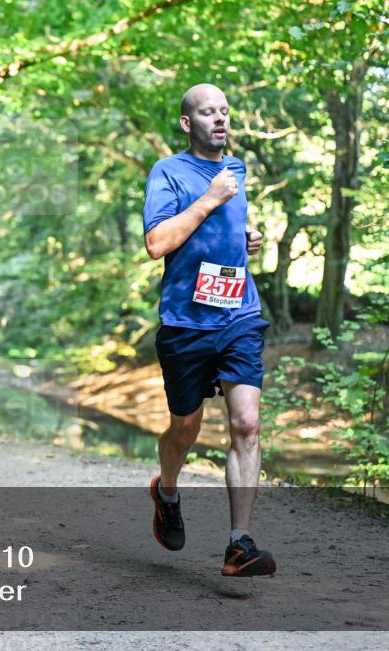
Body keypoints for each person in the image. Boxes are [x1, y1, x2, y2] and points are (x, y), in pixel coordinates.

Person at [142, 83, 274, 577]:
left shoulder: (236, 169)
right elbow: (157, 243)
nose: (220, 119)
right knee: (186, 429)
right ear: (187, 123)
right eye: (207, 112)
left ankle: (240, 544)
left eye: (224, 111)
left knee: (247, 424)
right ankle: (167, 491)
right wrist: (210, 199)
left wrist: (246, 237)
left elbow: (224, 232)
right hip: (185, 323)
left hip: (239, 315)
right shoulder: (168, 172)